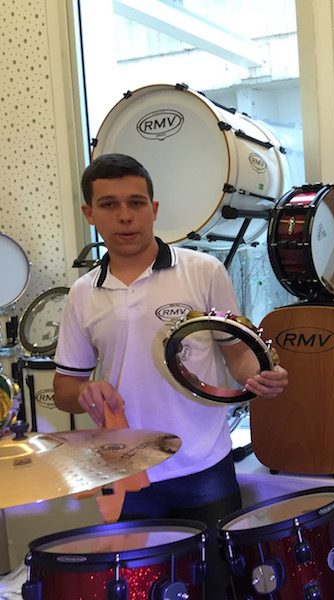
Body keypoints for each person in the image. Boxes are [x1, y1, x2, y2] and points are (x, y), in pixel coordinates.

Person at [53, 152, 289, 598]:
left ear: (154, 208)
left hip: (203, 466)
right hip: (129, 474)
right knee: (144, 591)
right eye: (109, 205)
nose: (125, 216)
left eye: (136, 202)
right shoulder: (82, 295)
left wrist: (258, 375)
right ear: (89, 213)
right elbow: (65, 388)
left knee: (218, 586)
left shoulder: (203, 271)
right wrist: (85, 392)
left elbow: (236, 352)